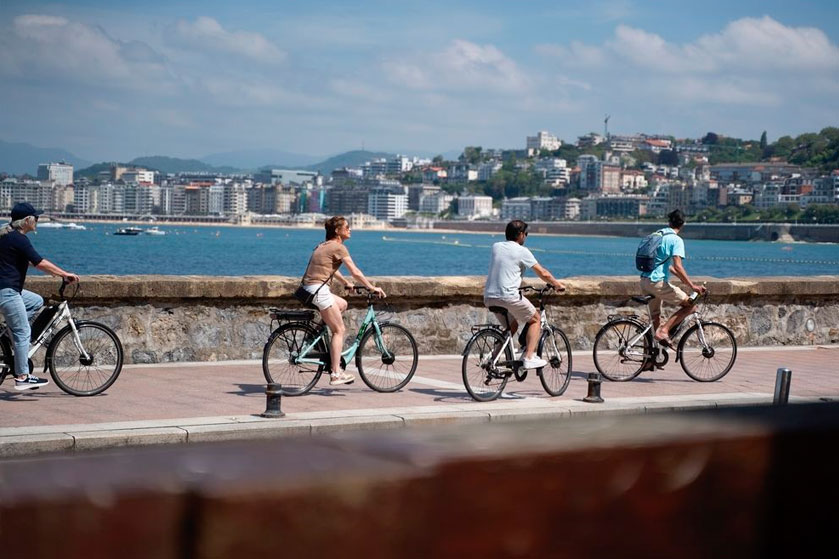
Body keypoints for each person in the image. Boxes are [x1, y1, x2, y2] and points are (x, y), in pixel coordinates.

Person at [0, 203, 79, 390]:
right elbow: (40, 262)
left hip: (8, 290)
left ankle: (12, 334)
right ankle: (22, 376)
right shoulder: (19, 239)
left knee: (36, 301)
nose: (38, 221)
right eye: (36, 218)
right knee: (23, 333)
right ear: (27, 220)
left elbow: (24, 260)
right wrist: (64, 274)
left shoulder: (6, 236)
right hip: (7, 291)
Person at [300, 216, 385, 386]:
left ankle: (315, 337)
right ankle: (336, 373)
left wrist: (345, 283)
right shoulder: (338, 247)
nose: (350, 229)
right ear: (337, 231)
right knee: (339, 330)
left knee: (342, 304)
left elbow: (329, 268)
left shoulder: (323, 246)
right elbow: (355, 271)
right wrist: (371, 287)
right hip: (319, 290)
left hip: (308, 289)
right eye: (347, 227)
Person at [483, 220, 566, 370]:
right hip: (508, 296)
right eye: (526, 234)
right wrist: (557, 285)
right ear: (521, 234)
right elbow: (543, 273)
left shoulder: (496, 247)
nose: (526, 237)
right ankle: (529, 357)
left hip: (489, 297)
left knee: (512, 325)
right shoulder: (522, 251)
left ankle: (492, 360)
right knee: (535, 319)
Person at [640, 209, 706, 350]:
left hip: (645, 280)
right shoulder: (676, 240)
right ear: (683, 224)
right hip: (657, 282)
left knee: (655, 319)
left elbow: (667, 266)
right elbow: (678, 266)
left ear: (669, 222)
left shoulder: (657, 234)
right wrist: (692, 286)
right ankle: (664, 331)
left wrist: (680, 277)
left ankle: (649, 358)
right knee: (691, 305)